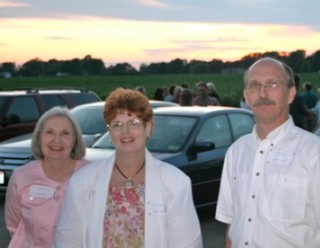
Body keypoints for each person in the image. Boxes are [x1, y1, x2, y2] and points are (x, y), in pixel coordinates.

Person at [215, 57, 320, 248]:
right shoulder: (236, 152)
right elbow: (232, 228)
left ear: (290, 94)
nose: (262, 93)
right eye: (254, 85)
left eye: (272, 84)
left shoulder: (316, 153)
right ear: (246, 96)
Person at [54, 88, 202, 247]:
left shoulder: (176, 182)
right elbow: (68, 241)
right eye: (117, 124)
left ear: (149, 128)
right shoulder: (82, 181)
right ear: (110, 131)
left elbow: (187, 244)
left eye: (134, 123)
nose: (125, 131)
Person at [5, 106, 89, 247]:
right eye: (49, 132)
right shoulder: (21, 176)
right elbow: (14, 224)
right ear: (39, 138)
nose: (57, 140)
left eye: (65, 133)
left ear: (75, 139)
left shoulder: (92, 174)